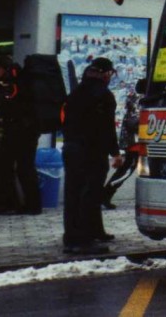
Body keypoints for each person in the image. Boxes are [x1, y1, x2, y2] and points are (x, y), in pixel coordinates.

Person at [62, 57, 121, 253]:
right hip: (92, 151)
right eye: (110, 73)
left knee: (73, 193)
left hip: (71, 149)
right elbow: (107, 128)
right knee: (90, 193)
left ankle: (82, 234)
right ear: (105, 73)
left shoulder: (77, 92)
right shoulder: (103, 95)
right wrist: (115, 153)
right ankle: (82, 240)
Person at [0, 55, 41, 215]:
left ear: (2, 68)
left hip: (18, 131)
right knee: (25, 168)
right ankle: (32, 205)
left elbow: (7, 106)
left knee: (5, 166)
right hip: (29, 130)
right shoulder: (23, 79)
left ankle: (6, 203)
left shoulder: (12, 84)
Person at [102, 78, 146, 210]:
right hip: (136, 141)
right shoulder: (140, 100)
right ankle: (106, 193)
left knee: (127, 169)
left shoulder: (134, 98)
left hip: (135, 141)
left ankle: (106, 193)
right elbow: (134, 122)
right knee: (127, 170)